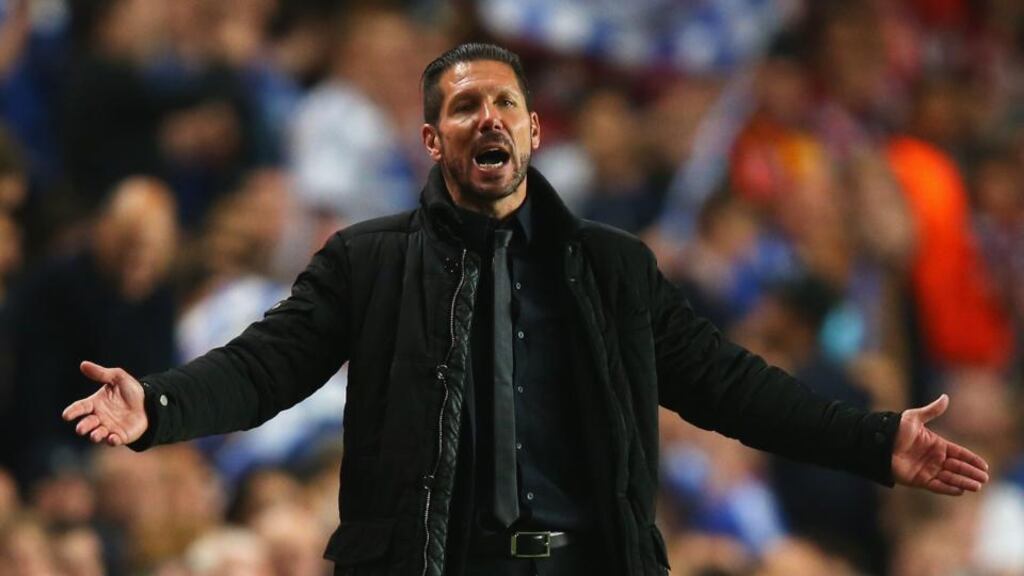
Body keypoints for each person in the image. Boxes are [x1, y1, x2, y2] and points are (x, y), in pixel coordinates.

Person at [62, 44, 990, 576]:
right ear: (433, 139)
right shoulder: (366, 262)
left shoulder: (615, 270)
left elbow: (731, 387)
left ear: (536, 132)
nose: (489, 118)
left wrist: (874, 442)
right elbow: (264, 366)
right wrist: (161, 409)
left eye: (506, 102)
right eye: (465, 107)